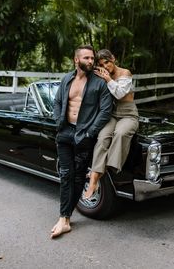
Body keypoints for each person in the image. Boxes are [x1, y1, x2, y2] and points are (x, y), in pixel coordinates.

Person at [51, 45, 113, 238]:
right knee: (65, 174)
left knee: (78, 176)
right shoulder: (66, 79)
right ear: (76, 60)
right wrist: (58, 122)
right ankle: (64, 218)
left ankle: (65, 219)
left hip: (84, 135)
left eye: (92, 58)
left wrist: (90, 132)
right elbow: (58, 102)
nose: (90, 61)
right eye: (86, 58)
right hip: (65, 132)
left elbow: (105, 110)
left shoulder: (99, 83)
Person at [84, 48, 139, 200]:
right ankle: (94, 179)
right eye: (102, 64)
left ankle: (107, 170)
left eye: (107, 62)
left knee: (120, 133)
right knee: (103, 137)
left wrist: (108, 79)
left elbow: (120, 94)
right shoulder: (101, 74)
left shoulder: (125, 73)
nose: (105, 66)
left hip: (128, 114)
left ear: (113, 58)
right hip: (111, 113)